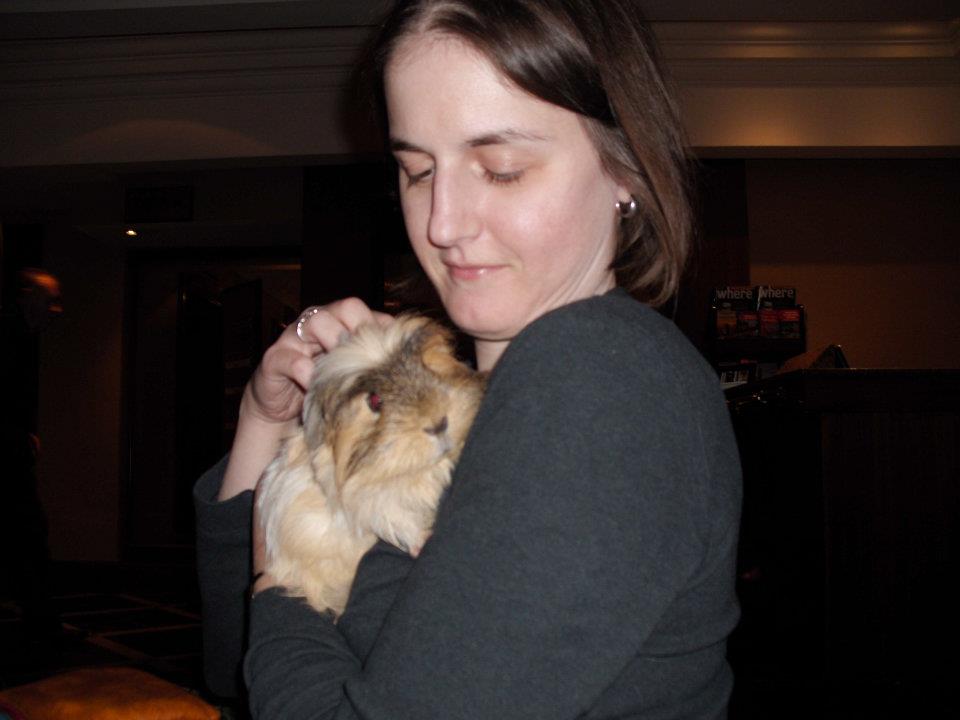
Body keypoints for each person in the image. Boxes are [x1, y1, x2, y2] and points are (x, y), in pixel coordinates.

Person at [194, 1, 742, 717]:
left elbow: (284, 640)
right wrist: (268, 421)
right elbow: (237, 659)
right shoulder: (466, 398)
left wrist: (278, 587)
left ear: (625, 170)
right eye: (418, 171)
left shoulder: (597, 375)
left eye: (502, 169)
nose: (441, 224)